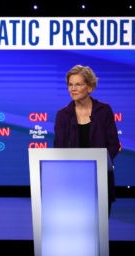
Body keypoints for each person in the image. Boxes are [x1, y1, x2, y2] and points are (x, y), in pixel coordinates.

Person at [53, 64, 120, 215]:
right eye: (70, 84)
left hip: (100, 179)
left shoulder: (104, 111)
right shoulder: (63, 115)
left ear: (90, 87)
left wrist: (97, 166)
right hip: (72, 182)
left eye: (78, 84)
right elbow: (59, 149)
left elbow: (113, 144)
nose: (73, 89)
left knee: (99, 232)